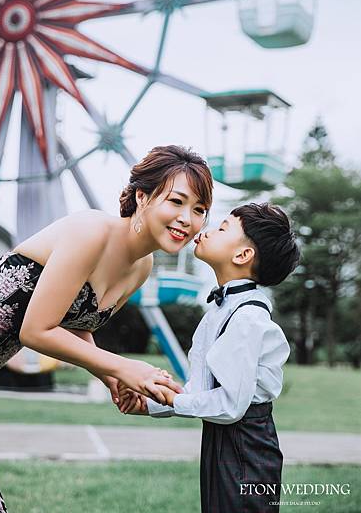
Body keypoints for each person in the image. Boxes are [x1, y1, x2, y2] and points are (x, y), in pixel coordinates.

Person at [0, 144, 213, 512]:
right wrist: (123, 366)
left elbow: (74, 324)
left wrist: (111, 379)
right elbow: (36, 330)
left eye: (199, 209)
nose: (187, 219)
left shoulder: (141, 268)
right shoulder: (91, 231)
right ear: (142, 197)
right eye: (176, 201)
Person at [118, 203, 300, 513]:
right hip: (220, 436)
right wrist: (151, 404)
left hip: (246, 444)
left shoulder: (247, 319)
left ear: (242, 255)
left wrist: (175, 401)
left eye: (222, 228)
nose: (206, 230)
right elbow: (203, 391)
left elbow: (230, 405)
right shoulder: (219, 310)